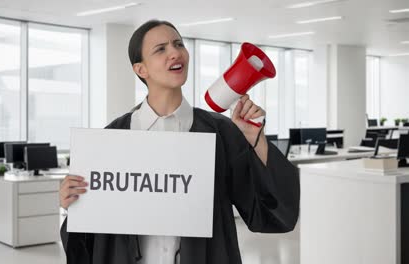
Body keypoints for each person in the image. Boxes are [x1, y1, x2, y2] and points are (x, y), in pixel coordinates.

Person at [59, 19, 300, 264]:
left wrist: (254, 141)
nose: (175, 53)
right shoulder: (113, 137)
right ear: (141, 69)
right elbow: (91, 237)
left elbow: (268, 212)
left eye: (178, 44)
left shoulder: (221, 133)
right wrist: (74, 204)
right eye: (160, 49)